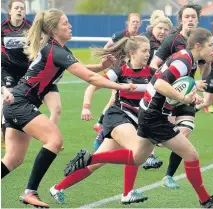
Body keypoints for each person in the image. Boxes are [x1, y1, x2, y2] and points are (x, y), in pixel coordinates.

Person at [64, 28, 213, 208]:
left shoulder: (187, 58)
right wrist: (182, 98)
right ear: (198, 46)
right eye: (211, 45)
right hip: (154, 116)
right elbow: (160, 84)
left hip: (147, 111)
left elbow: (169, 84)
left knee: (136, 159)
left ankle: (89, 159)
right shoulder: (184, 61)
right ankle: (206, 201)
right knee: (191, 155)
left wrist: (189, 94)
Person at [1, 9, 134, 208]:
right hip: (21, 104)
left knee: (13, 159)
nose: (70, 26)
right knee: (54, 140)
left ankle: (30, 192)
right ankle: (30, 192)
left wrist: (101, 66)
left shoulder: (58, 49)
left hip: (16, 105)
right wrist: (121, 86)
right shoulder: (56, 50)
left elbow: (84, 69)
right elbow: (88, 78)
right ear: (54, 29)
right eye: (65, 23)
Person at [51, 35, 154, 205]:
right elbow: (93, 86)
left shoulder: (151, 73)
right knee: (137, 149)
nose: (148, 54)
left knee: (96, 163)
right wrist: (86, 106)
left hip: (134, 120)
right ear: (132, 53)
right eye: (144, 51)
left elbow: (165, 91)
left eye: (149, 51)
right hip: (118, 116)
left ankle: (58, 187)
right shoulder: (119, 72)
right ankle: (127, 194)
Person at [150, 4, 209, 189]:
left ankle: (168, 176)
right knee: (155, 136)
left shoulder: (200, 41)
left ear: (197, 20)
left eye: (193, 17)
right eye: (187, 17)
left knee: (185, 132)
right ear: (181, 20)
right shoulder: (172, 40)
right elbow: (154, 65)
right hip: (168, 95)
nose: (190, 19)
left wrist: (206, 63)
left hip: (187, 95)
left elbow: (202, 71)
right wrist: (163, 85)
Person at [91, 13, 142, 147]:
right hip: (120, 72)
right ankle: (101, 123)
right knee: (114, 98)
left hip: (130, 73)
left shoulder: (140, 38)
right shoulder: (120, 35)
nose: (135, 24)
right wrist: (106, 64)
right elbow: (107, 47)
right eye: (133, 22)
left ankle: (101, 124)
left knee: (115, 98)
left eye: (137, 22)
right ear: (128, 23)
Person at [140, 10, 173, 169]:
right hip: (141, 82)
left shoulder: (167, 45)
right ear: (153, 27)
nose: (162, 31)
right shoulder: (145, 41)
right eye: (159, 28)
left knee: (151, 118)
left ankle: (149, 155)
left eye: (166, 29)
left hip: (155, 85)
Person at [1, 0, 31, 148]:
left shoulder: (30, 27)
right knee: (8, 96)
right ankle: (3, 129)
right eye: (16, 8)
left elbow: (37, 46)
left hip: (26, 70)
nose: (19, 10)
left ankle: (19, 128)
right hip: (7, 68)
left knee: (23, 99)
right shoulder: (2, 28)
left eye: (22, 8)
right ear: (10, 11)